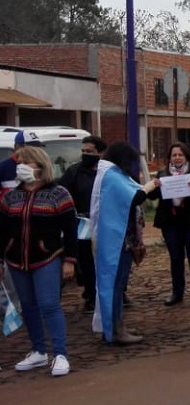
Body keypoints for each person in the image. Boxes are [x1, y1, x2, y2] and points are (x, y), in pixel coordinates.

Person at [0, 146, 77, 376]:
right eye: (19, 163)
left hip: (47, 258)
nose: (20, 167)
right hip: (16, 260)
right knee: (28, 306)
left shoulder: (59, 194)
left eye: (26, 162)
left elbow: (70, 231)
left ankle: (60, 354)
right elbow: (2, 230)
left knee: (49, 304)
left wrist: (70, 260)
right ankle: (38, 351)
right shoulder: (11, 196)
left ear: (40, 165)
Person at [92, 141, 158, 346]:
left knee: (117, 286)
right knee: (116, 285)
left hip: (121, 237)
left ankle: (115, 325)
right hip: (118, 241)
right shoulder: (112, 176)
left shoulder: (111, 174)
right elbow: (135, 197)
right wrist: (149, 186)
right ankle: (115, 329)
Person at [147, 142, 190, 307]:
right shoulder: (163, 173)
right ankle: (177, 292)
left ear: (186, 156)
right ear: (169, 158)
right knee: (175, 257)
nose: (177, 158)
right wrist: (155, 186)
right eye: (174, 155)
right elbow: (152, 197)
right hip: (171, 221)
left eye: (180, 154)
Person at [58, 134, 107, 314]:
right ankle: (91, 295)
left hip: (106, 224)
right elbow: (62, 193)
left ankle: (112, 293)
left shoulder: (108, 171)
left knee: (106, 261)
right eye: (83, 151)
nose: (85, 154)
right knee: (87, 262)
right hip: (83, 225)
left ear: (100, 153)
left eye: (90, 151)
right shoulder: (74, 172)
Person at [0, 129, 46, 195]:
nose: (36, 151)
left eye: (38, 148)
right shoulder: (3, 167)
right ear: (17, 147)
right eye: (31, 148)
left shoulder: (42, 165)